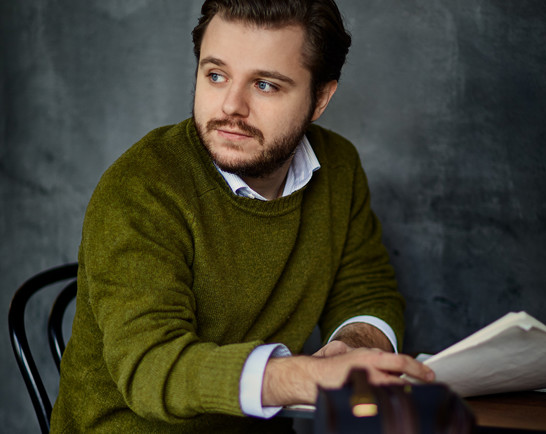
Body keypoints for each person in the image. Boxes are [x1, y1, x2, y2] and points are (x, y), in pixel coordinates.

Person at [50, 0, 434, 432]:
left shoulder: (338, 168)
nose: (231, 105)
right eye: (216, 75)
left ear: (321, 98)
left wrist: (351, 347)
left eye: (265, 85)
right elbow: (152, 366)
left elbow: (366, 289)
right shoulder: (141, 187)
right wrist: (301, 377)